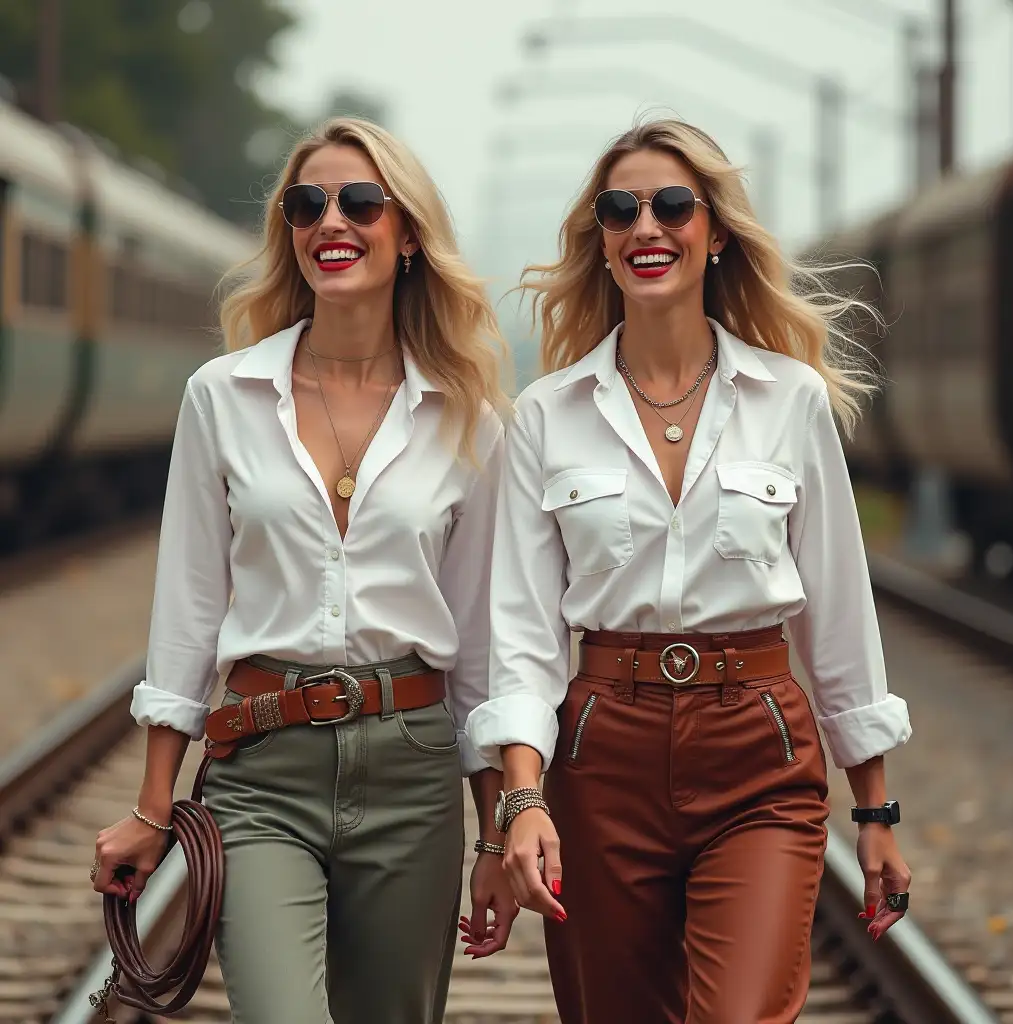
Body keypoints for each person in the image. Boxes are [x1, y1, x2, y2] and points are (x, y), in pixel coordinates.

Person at [465, 117, 913, 1024]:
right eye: (619, 211)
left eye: (673, 205)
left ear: (714, 233)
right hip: (600, 756)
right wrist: (520, 801)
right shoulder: (547, 417)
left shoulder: (788, 400)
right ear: (599, 241)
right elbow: (520, 636)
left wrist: (875, 813)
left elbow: (838, 613)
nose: (646, 227)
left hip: (758, 750)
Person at [91, 116, 518, 1024]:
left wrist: (493, 831)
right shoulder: (223, 395)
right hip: (261, 764)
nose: (334, 220)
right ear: (288, 232)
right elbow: (188, 609)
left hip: (412, 768)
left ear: (407, 235)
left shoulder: (470, 418)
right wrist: (155, 805)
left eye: (362, 201)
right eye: (307, 204)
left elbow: (480, 647)